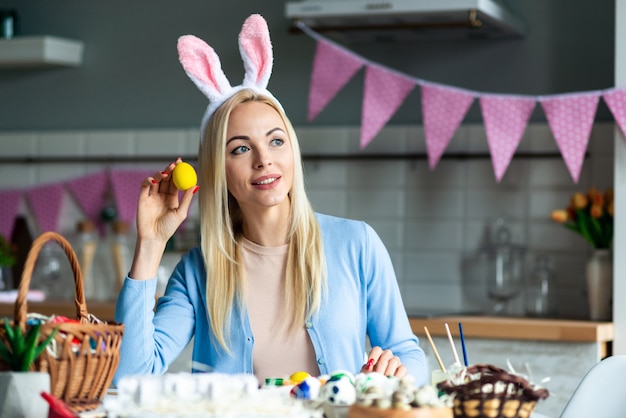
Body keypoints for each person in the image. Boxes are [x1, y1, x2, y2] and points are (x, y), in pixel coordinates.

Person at [113, 14, 428, 387]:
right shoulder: (199, 272)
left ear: (291, 150)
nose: (264, 159)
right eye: (241, 148)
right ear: (218, 170)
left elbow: (408, 353)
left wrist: (398, 369)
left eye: (276, 140)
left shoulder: (357, 245)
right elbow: (128, 377)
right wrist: (150, 245)